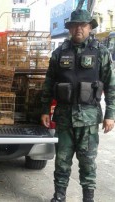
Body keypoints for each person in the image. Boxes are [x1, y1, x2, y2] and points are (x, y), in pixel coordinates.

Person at [41, 9, 115, 202]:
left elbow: (111, 85)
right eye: (75, 25)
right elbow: (49, 83)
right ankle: (59, 196)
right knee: (62, 161)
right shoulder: (59, 53)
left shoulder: (101, 52)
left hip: (89, 119)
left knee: (88, 162)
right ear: (70, 29)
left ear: (90, 27)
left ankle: (88, 198)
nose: (79, 29)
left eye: (83, 25)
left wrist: (110, 114)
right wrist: (44, 109)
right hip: (64, 118)